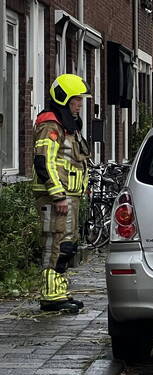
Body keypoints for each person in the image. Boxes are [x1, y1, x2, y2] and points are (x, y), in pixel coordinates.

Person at [32, 74, 92, 314]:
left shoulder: (67, 125)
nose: (79, 104)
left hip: (69, 196)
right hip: (56, 197)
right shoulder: (51, 125)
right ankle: (50, 295)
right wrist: (58, 195)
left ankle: (59, 291)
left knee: (66, 245)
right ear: (64, 98)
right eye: (76, 99)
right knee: (54, 244)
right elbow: (43, 161)